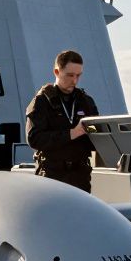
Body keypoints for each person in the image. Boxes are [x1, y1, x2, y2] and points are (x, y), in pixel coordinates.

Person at [26, 49, 100, 192]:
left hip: (80, 175)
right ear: (57, 72)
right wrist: (72, 133)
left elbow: (96, 138)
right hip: (52, 175)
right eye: (70, 75)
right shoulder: (42, 101)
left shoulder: (85, 101)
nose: (75, 81)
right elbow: (34, 139)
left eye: (78, 75)